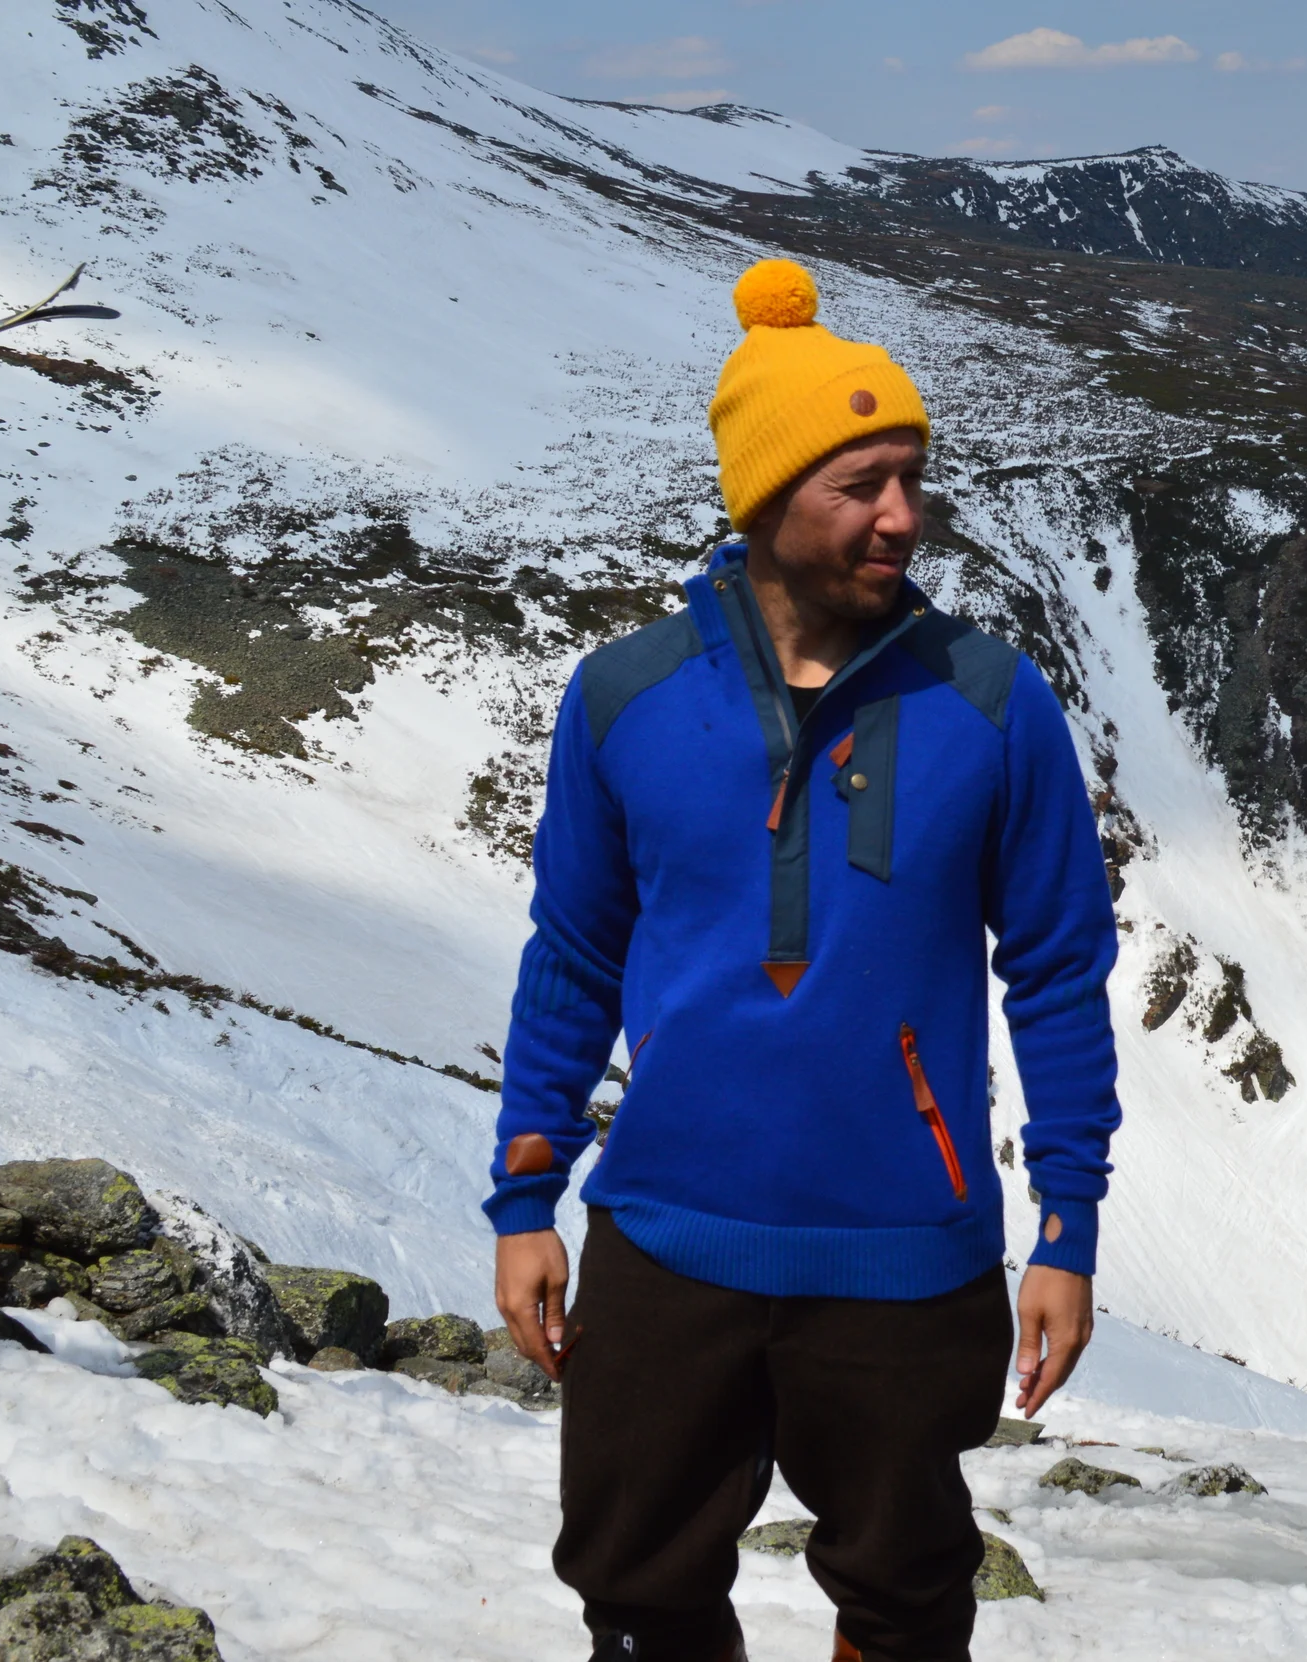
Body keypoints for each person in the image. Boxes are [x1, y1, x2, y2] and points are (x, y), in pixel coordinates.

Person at [486, 257, 1125, 1662]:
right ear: (767, 495)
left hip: (906, 1248)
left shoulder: (993, 702)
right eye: (862, 482)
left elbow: (1061, 971)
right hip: (665, 1236)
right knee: (637, 1590)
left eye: (912, 477)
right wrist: (524, 1196)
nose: (904, 515)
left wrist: (1066, 1228)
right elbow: (575, 956)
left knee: (905, 1603)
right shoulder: (625, 695)